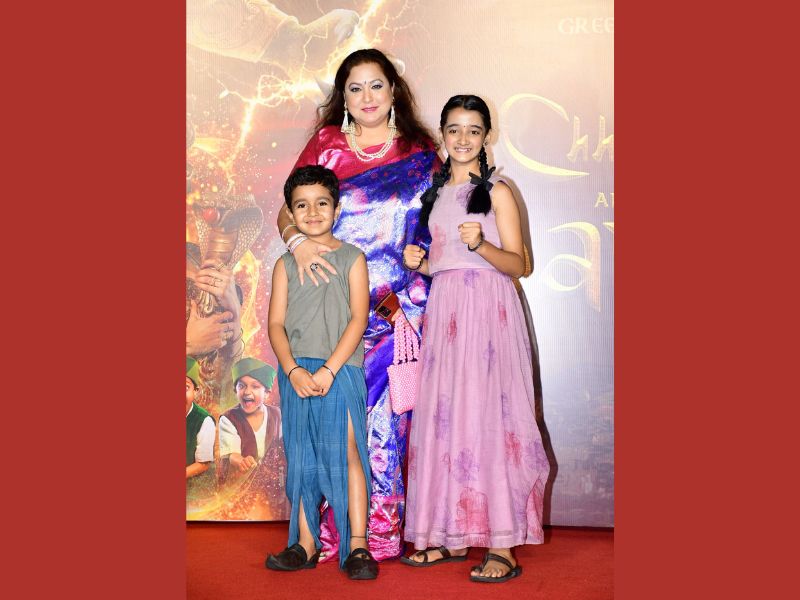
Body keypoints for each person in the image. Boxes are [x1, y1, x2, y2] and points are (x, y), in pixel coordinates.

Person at [276, 48, 439, 562]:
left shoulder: (421, 153)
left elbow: (437, 222)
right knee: (327, 420)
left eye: (376, 85)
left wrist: (425, 254)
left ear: (394, 91)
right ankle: (321, 534)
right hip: (329, 304)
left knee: (383, 424)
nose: (367, 97)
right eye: (355, 88)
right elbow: (290, 208)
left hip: (395, 309)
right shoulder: (326, 146)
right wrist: (296, 243)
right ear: (343, 98)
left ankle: (375, 535)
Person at [400, 95, 550, 583]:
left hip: (488, 314)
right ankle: (451, 535)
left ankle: (502, 545)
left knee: (491, 418)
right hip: (446, 314)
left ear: (487, 136)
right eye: (454, 129)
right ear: (442, 135)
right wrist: (424, 264)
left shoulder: (498, 191)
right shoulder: (435, 195)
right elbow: (447, 261)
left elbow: (520, 265)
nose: (462, 139)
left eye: (473, 130)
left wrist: (481, 244)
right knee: (447, 420)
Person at [266, 165, 376, 579]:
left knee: (348, 453)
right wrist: (292, 369)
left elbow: (358, 319)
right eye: (301, 206)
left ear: (337, 209)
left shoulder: (353, 258)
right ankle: (305, 543)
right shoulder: (284, 264)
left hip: (341, 370)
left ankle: (358, 546)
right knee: (301, 455)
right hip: (296, 372)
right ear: (290, 213)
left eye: (321, 203)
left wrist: (330, 369)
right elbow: (275, 324)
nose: (312, 213)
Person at [218, 357, 288, 518]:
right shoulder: (229, 419)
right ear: (235, 390)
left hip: (272, 489)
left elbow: (283, 448)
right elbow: (232, 454)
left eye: (255, 386)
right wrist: (241, 461)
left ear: (267, 392)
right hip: (241, 489)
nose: (247, 392)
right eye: (241, 386)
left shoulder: (278, 415)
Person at [186, 356, 216, 480]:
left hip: (192, 484)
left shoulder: (204, 421)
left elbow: (203, 464)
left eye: (185, 387)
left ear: (196, 391)